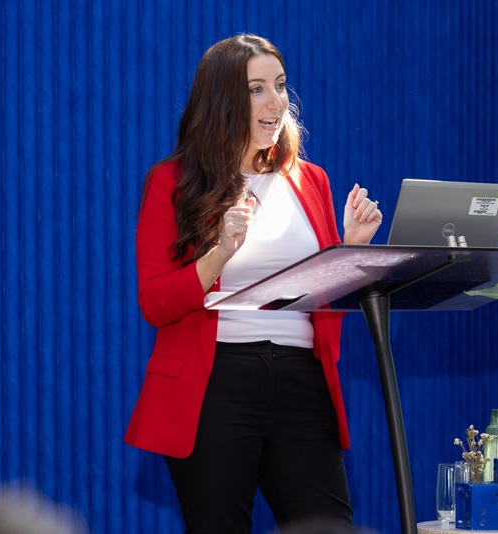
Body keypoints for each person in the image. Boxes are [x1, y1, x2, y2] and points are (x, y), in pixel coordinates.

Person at [125, 33, 382, 533]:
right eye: (257, 89)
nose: (276, 102)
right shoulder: (173, 182)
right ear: (223, 100)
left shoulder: (311, 180)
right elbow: (155, 302)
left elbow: (322, 296)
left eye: (281, 86)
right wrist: (220, 252)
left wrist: (353, 248)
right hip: (215, 384)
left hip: (302, 380)